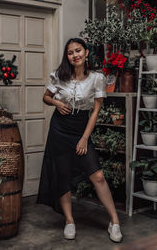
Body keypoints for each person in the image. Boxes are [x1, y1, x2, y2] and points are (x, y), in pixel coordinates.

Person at [37, 38, 122, 242]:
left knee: (98, 176)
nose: (74, 55)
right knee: (63, 175)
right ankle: (69, 221)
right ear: (67, 56)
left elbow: (95, 111)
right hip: (59, 128)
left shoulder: (97, 78)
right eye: (70, 52)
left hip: (81, 127)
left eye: (78, 51)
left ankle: (115, 222)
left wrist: (85, 138)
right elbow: (45, 97)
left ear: (85, 52)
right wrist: (56, 102)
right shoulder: (60, 75)